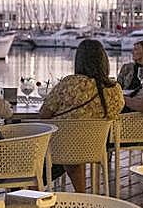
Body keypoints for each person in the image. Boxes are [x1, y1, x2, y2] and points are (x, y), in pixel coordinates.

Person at [38, 39, 124, 192]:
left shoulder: (70, 83)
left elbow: (44, 114)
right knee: (74, 149)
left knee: (61, 147)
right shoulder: (115, 89)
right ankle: (82, 195)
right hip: (95, 147)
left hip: (60, 148)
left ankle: (29, 188)